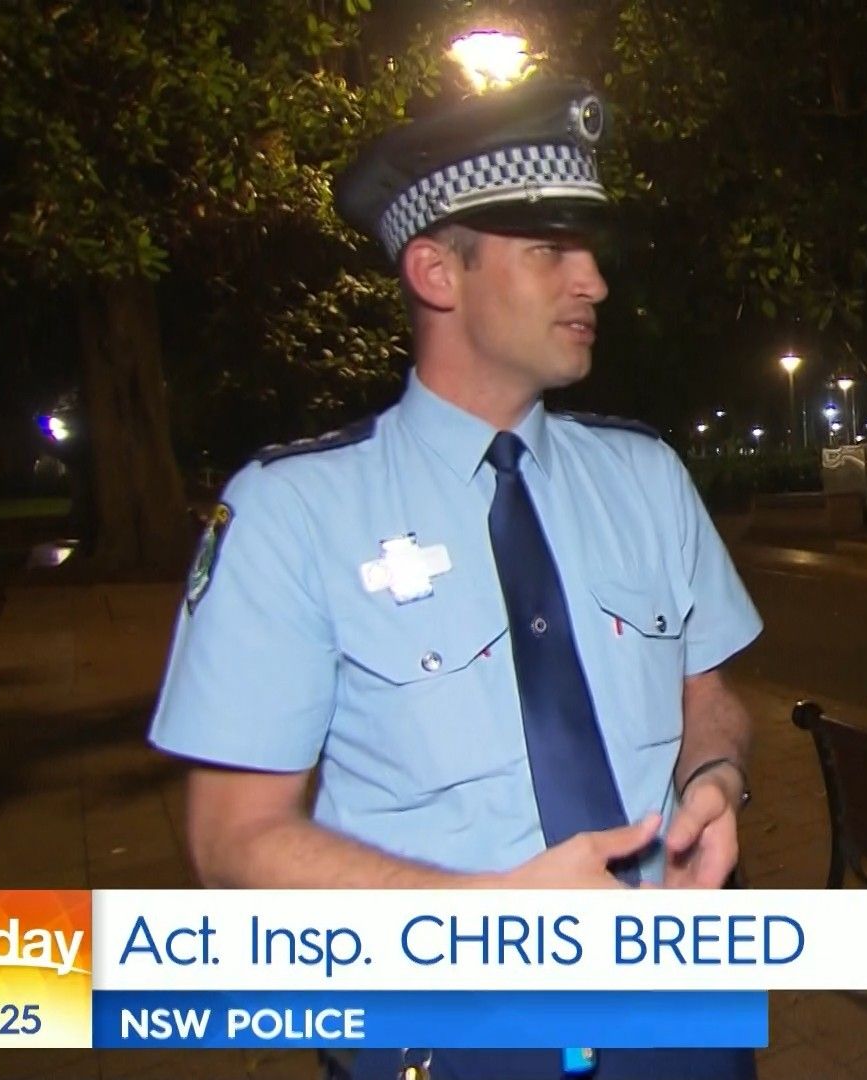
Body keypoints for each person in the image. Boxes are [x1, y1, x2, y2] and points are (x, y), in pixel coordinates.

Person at [148, 76, 763, 1080]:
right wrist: (484, 919)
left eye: (590, 248)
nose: (594, 282)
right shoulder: (291, 513)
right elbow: (233, 841)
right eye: (550, 250)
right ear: (437, 271)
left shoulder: (647, 476)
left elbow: (709, 692)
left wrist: (715, 780)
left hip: (680, 1015)